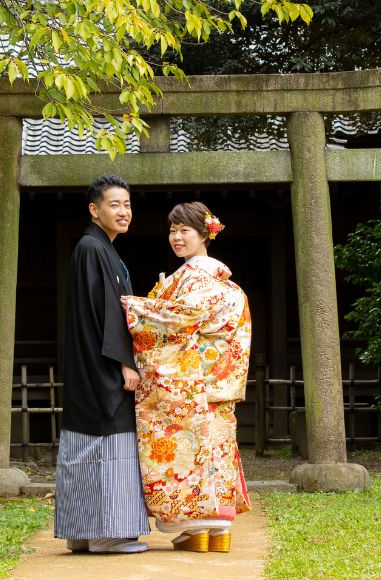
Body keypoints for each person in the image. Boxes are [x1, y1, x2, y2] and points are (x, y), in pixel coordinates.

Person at [121, 202, 252, 553]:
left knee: (190, 452)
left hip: (190, 381)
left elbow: (180, 318)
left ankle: (197, 529)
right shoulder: (217, 279)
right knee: (215, 451)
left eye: (185, 231)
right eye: (172, 230)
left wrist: (134, 307)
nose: (176, 237)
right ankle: (215, 531)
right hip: (212, 381)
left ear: (205, 234)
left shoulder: (200, 276)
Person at [54, 175, 151, 555]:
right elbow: (105, 313)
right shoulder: (93, 249)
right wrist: (126, 363)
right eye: (115, 205)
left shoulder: (98, 249)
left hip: (91, 364)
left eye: (127, 205)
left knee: (86, 441)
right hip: (102, 366)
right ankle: (108, 532)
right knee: (110, 440)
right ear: (95, 210)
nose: (123, 212)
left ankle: (82, 531)